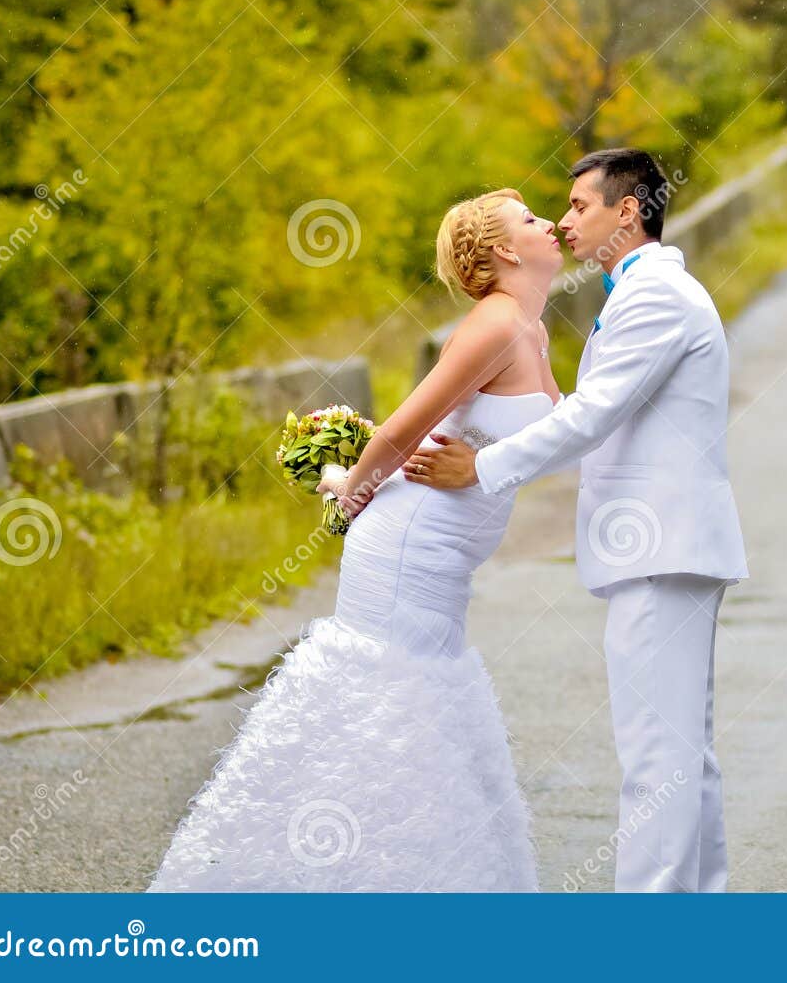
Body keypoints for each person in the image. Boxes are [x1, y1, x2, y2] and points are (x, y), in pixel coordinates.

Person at [151, 189, 562, 891]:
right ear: (502, 251)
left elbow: (551, 435)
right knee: (386, 709)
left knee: (423, 715)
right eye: (531, 220)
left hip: (445, 554)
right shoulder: (493, 326)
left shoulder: (533, 328)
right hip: (409, 545)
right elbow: (404, 428)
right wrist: (350, 485)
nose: (550, 224)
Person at [399, 149, 748, 892]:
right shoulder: (639, 293)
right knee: (683, 754)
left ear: (629, 212)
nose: (564, 220)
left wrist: (482, 467)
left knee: (658, 758)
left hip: (660, 548)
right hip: (662, 547)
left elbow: (593, 415)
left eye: (579, 205)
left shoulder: (655, 296)